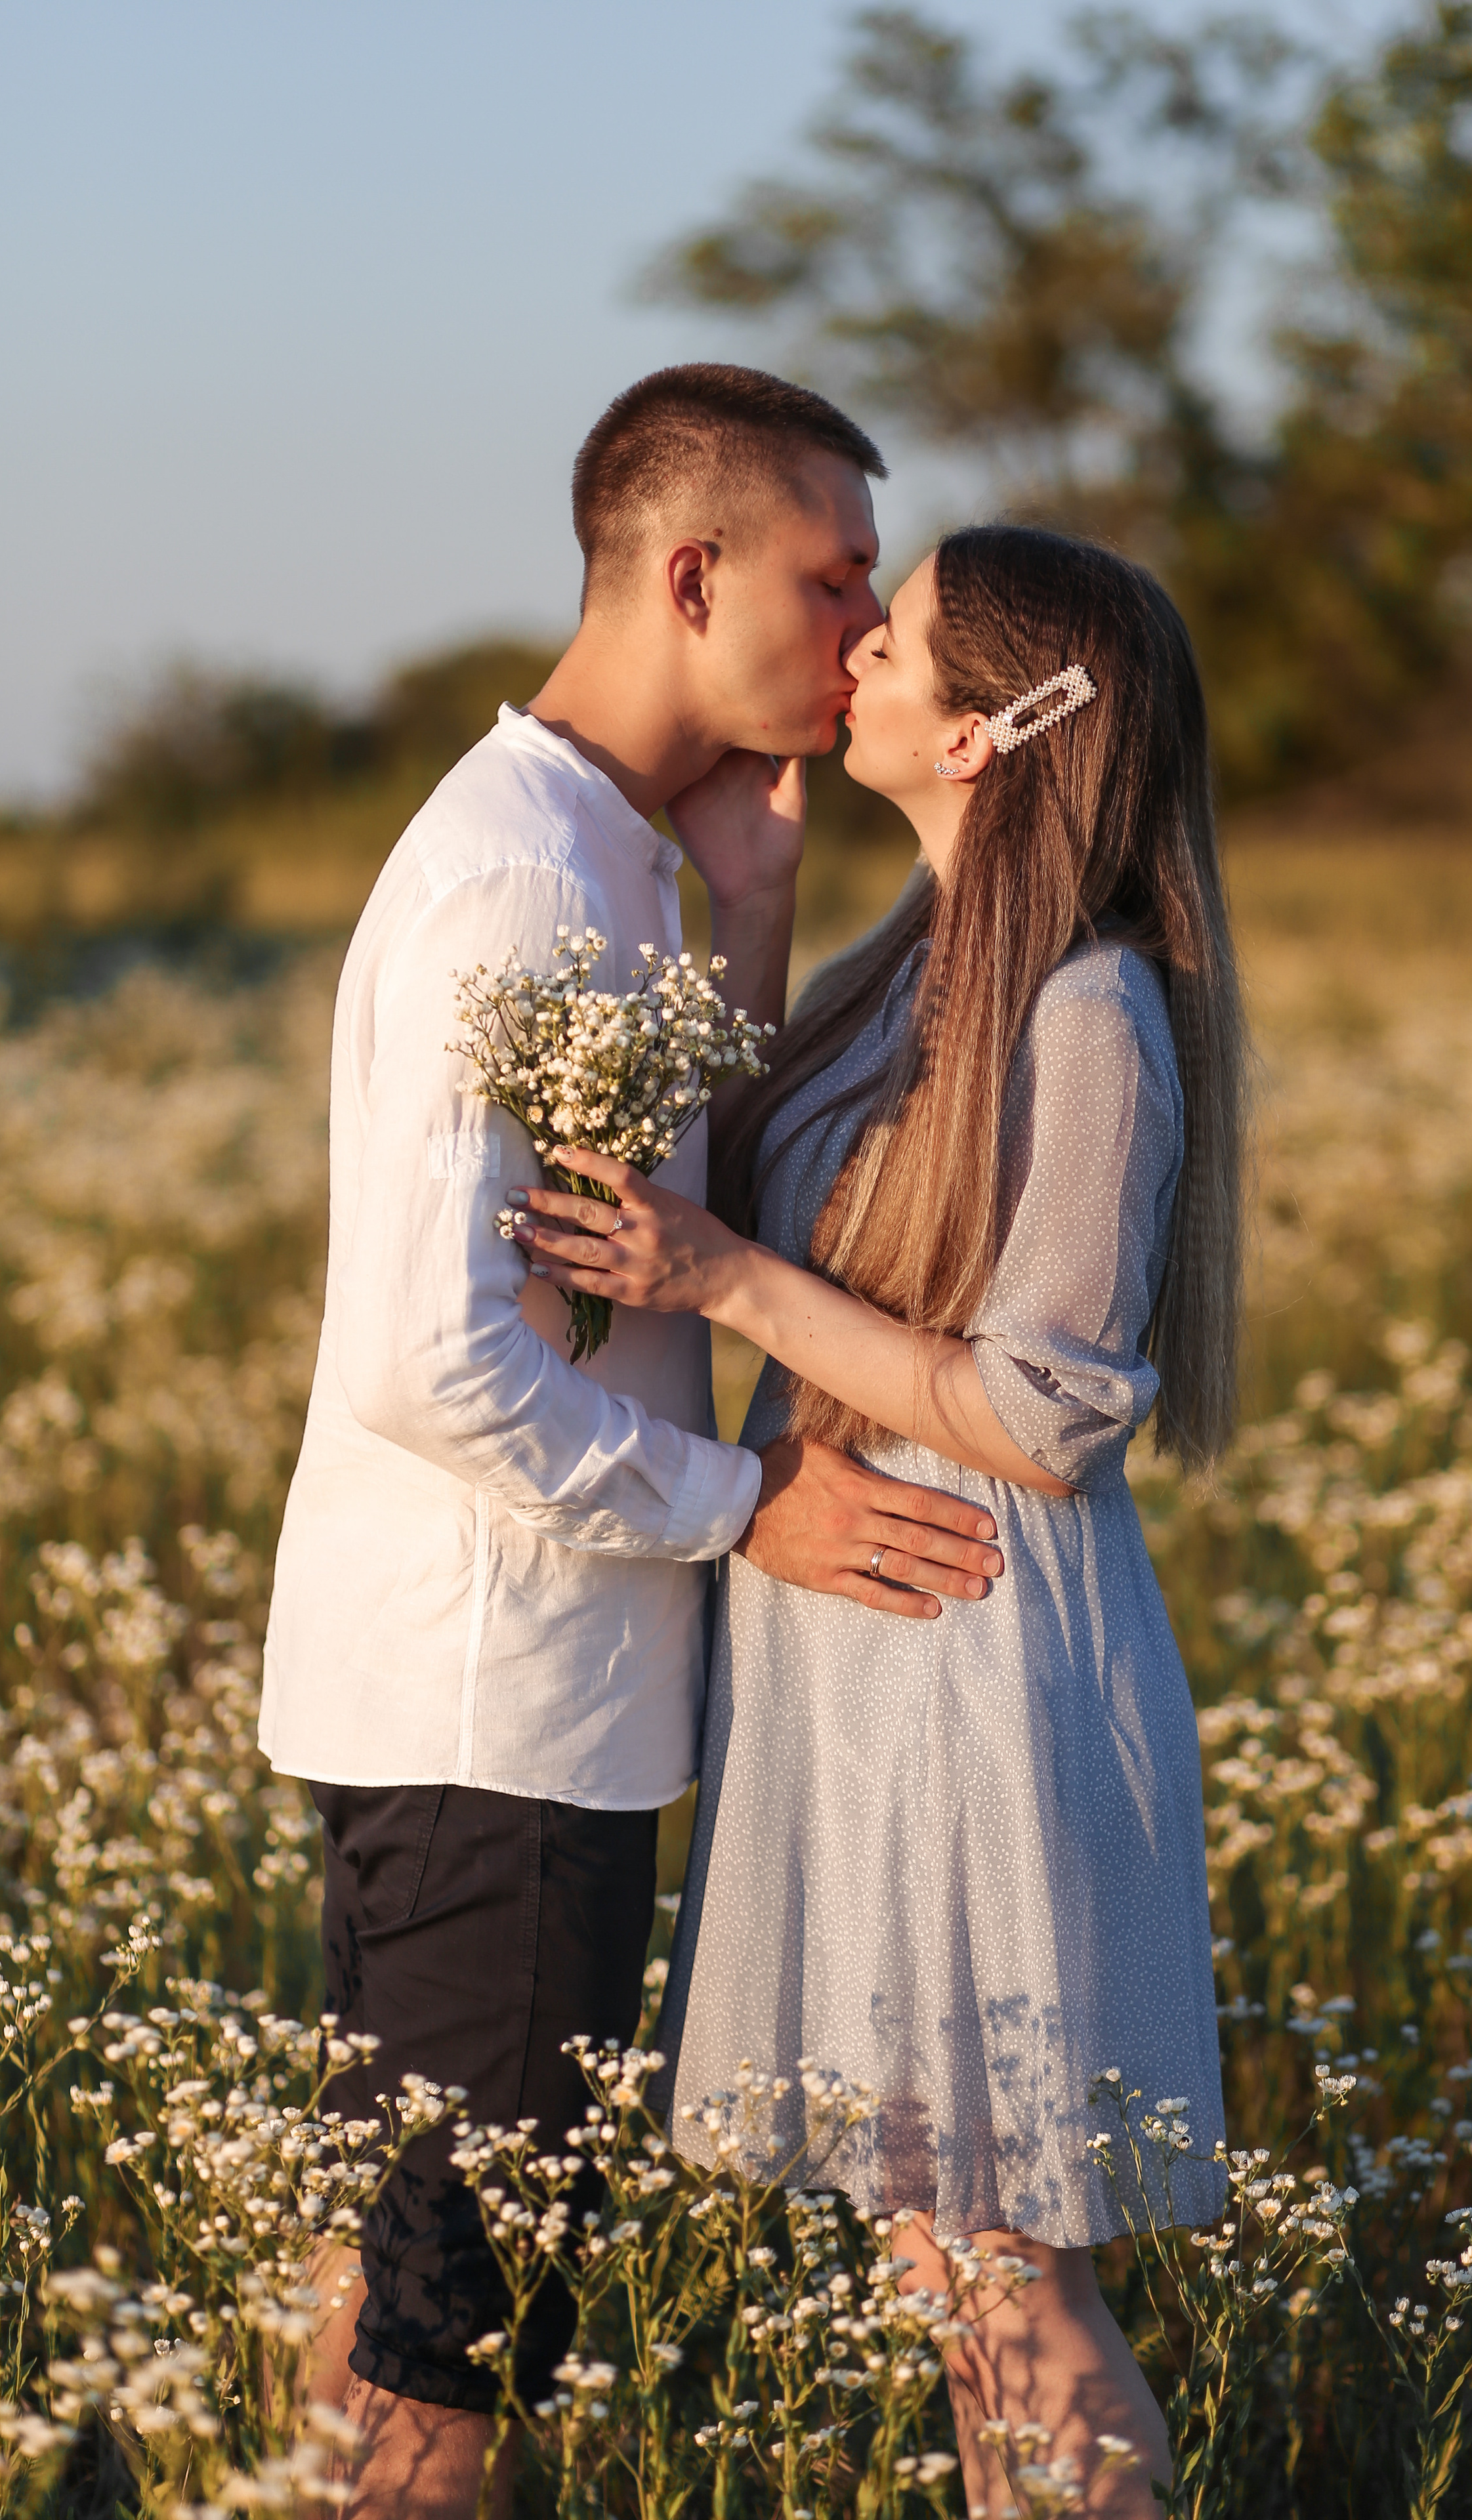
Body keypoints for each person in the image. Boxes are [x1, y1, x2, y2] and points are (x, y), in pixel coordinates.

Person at [258, 366, 1009, 2520]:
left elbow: (647, 1228)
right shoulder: (520, 876)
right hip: (495, 1712)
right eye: (834, 575)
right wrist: (741, 1504)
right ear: (693, 575)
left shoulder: (607, 850)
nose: (868, 633)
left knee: (401, 2317)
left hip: (506, 1698)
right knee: (450, 2368)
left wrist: (754, 904)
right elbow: (435, 1356)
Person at [506, 522, 1250, 2517]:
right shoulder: (905, 968)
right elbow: (755, 1184)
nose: (853, 661)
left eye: (897, 638)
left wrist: (726, 1287)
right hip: (862, 1640)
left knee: (1006, 2262)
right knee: (933, 2254)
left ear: (998, 729)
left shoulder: (1087, 1013)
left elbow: (1047, 1406)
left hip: (975, 1637)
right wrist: (746, 898)